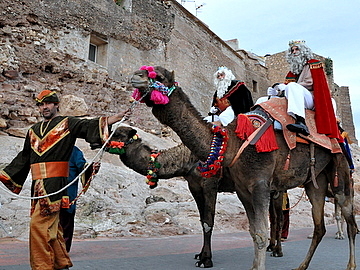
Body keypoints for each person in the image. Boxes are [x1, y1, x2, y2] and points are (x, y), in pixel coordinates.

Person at [0, 90, 128, 270]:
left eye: (48, 103)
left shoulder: (67, 123)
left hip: (54, 185)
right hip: (37, 186)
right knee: (51, 228)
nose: (44, 107)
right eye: (40, 104)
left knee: (38, 227)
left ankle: (42, 266)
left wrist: (115, 118)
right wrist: (4, 174)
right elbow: (24, 158)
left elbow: (88, 125)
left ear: (56, 105)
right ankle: (60, 263)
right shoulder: (32, 131)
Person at [269, 40, 341, 140]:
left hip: (311, 100)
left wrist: (288, 87)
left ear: (304, 51)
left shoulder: (313, 64)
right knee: (264, 99)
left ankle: (301, 122)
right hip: (297, 97)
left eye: (296, 49)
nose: (294, 52)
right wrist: (276, 91)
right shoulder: (292, 72)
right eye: (292, 50)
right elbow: (287, 88)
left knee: (292, 86)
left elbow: (309, 83)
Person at [59, 146, 90, 253]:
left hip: (67, 195)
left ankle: (63, 250)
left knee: (65, 222)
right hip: (49, 194)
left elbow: (83, 168)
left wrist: (91, 168)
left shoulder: (74, 151)